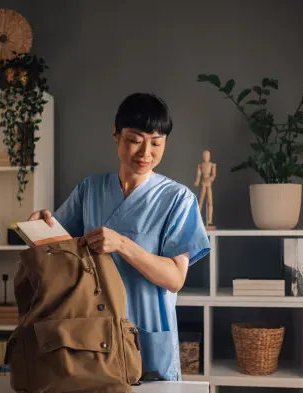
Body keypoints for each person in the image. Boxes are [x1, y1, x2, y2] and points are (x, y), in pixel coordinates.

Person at [27, 92, 211, 381]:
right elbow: (59, 253)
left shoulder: (178, 199)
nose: (145, 152)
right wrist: (40, 227)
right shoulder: (90, 190)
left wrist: (123, 244)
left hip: (147, 336)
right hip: (92, 335)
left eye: (156, 142)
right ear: (116, 135)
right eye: (135, 140)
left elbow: (175, 279)